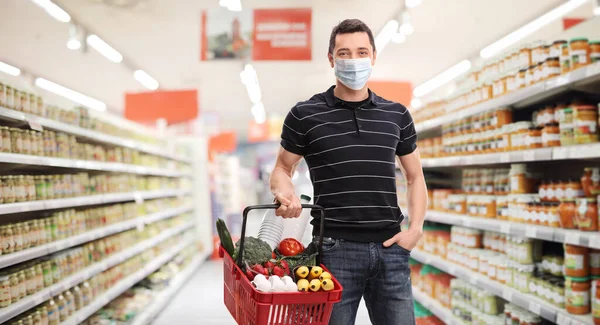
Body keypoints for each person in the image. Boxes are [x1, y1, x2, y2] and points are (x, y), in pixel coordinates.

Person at [269, 18, 427, 325]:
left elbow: (415, 176)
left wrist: (416, 228)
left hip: (391, 249)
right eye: (343, 53)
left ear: (373, 56)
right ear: (331, 59)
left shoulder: (397, 115)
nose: (353, 60)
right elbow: (282, 168)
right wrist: (282, 189)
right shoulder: (305, 114)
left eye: (361, 52)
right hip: (334, 251)